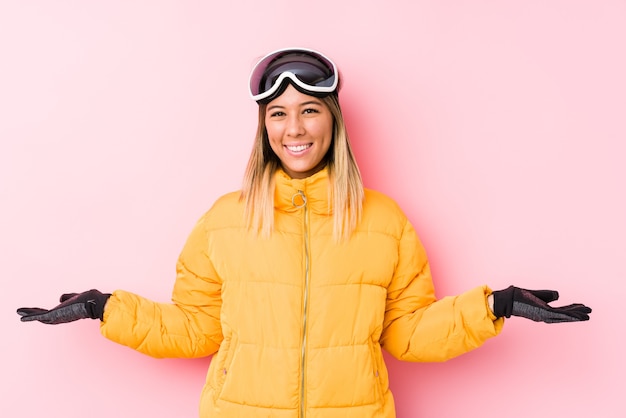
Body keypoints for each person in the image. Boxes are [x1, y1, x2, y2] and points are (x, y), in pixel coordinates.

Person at [17, 47, 592, 418]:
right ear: (264, 126)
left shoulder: (382, 221)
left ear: (334, 120)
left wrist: (496, 305)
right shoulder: (225, 219)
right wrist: (105, 308)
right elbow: (195, 329)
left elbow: (408, 334)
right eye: (278, 114)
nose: (294, 128)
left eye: (310, 109)